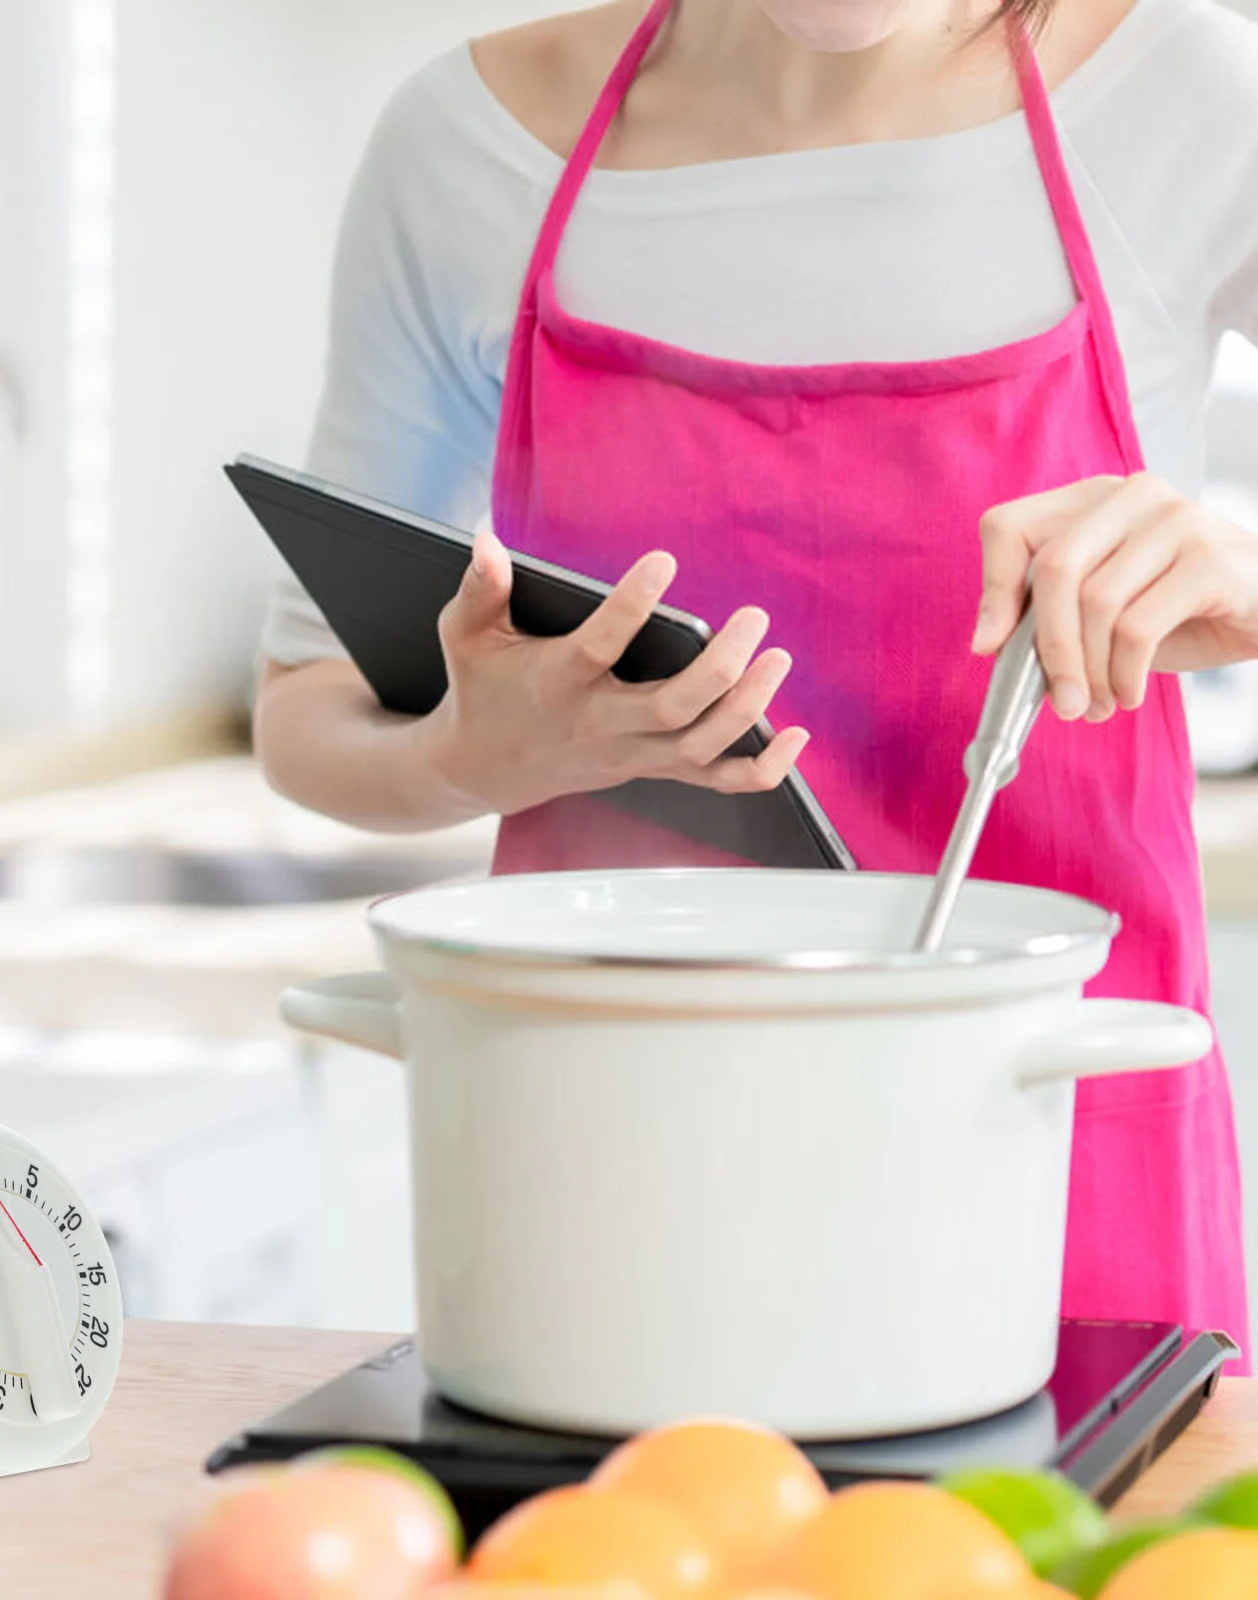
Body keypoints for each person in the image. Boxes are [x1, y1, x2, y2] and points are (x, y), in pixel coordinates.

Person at [253, 0, 1258, 1359]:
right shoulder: (466, 151)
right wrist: (472, 756)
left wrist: (1237, 576)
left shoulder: (1184, 95)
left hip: (1041, 1133)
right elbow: (308, 708)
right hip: (612, 1149)